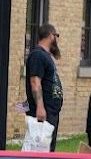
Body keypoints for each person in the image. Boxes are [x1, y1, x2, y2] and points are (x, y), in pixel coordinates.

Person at [24, 23, 65, 151]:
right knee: (40, 148)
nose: (57, 40)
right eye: (56, 36)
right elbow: (35, 82)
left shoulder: (46, 56)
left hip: (51, 111)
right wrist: (40, 108)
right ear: (50, 36)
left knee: (47, 148)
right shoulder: (38, 55)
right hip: (44, 111)